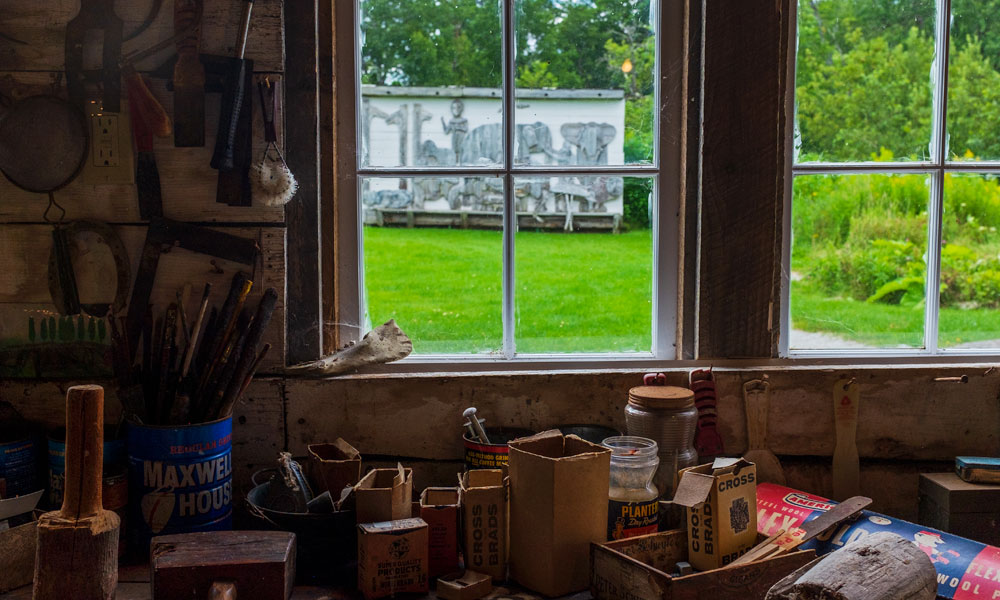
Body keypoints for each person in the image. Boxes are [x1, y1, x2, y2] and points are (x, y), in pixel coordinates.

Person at [441, 98, 469, 165]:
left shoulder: (464, 120)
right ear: (451, 109)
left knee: (462, 152)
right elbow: (446, 131)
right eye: (454, 108)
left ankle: (461, 165)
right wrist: (443, 122)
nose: (456, 110)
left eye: (458, 107)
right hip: (454, 139)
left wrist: (457, 127)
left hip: (461, 139)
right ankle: (455, 165)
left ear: (461, 108)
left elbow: (465, 129)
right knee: (454, 152)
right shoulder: (451, 121)